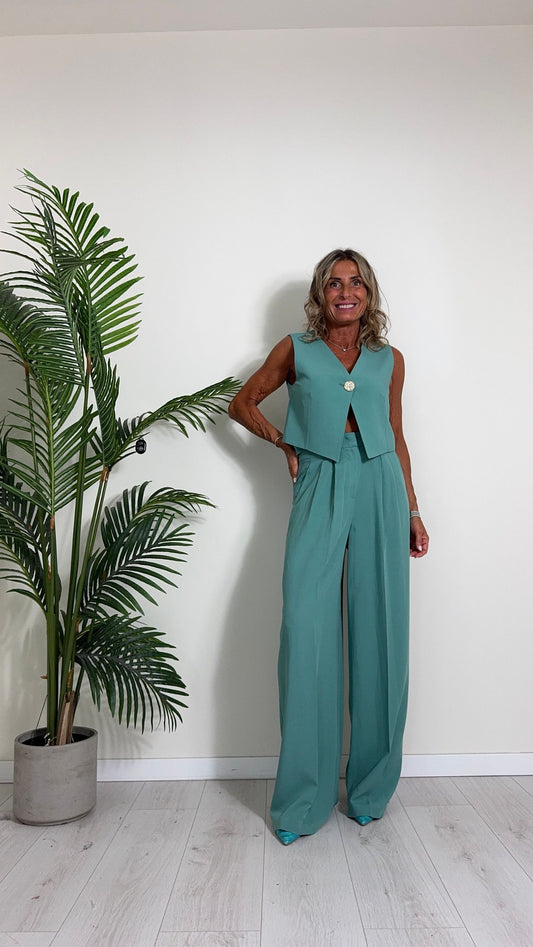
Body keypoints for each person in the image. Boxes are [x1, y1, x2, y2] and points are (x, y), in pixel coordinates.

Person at [229, 248, 429, 846]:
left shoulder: (389, 359)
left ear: (369, 294)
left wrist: (413, 509)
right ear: (321, 293)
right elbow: (242, 402)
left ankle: (370, 790)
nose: (346, 291)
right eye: (335, 283)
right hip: (319, 478)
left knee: (381, 634)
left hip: (381, 483)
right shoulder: (296, 349)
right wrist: (284, 444)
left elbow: (397, 436)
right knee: (307, 631)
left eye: (356, 282)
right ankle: (303, 800)